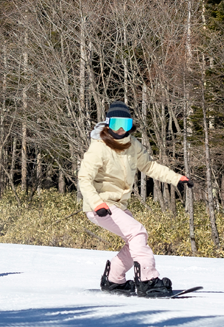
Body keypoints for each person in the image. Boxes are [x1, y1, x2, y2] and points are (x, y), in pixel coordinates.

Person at [77, 101, 193, 297]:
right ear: (107, 124)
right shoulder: (99, 147)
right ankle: (148, 280)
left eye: (126, 123)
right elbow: (84, 178)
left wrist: (176, 178)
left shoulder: (132, 145)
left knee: (136, 241)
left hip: (118, 205)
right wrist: (97, 204)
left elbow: (149, 167)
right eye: (115, 124)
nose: (121, 129)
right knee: (137, 233)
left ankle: (114, 279)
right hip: (101, 205)